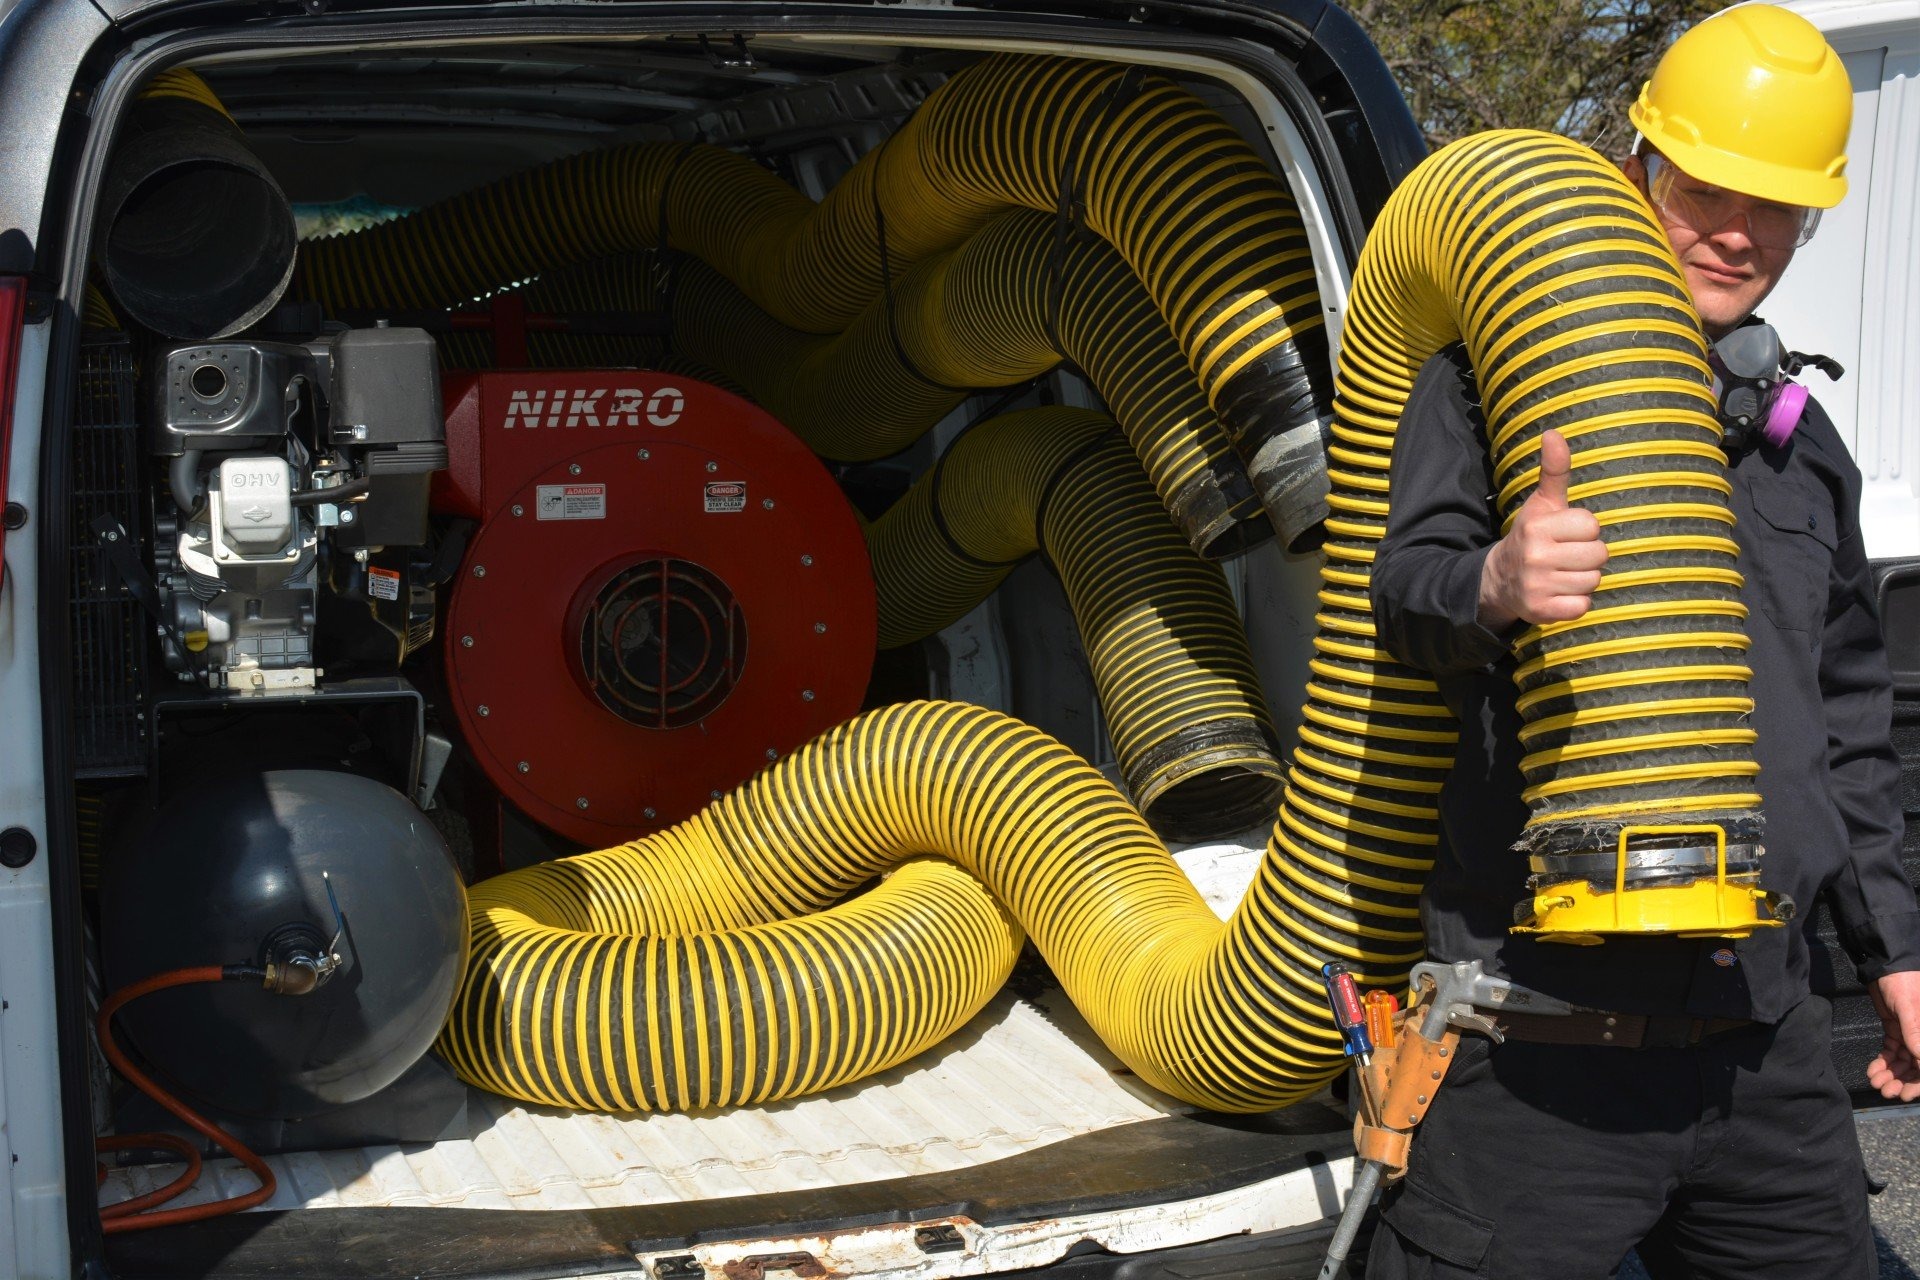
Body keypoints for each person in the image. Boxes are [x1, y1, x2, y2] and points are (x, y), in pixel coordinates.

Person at [1363, 5, 1920, 1277]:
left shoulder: (1799, 447)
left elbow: (1849, 724)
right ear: (1637, 172)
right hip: (1543, 1048)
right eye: (1706, 189)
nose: (1737, 231)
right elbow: (1399, 599)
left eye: (1776, 207)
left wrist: (1897, 949)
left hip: (1762, 1045)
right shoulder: (1484, 388)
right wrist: (1495, 579)